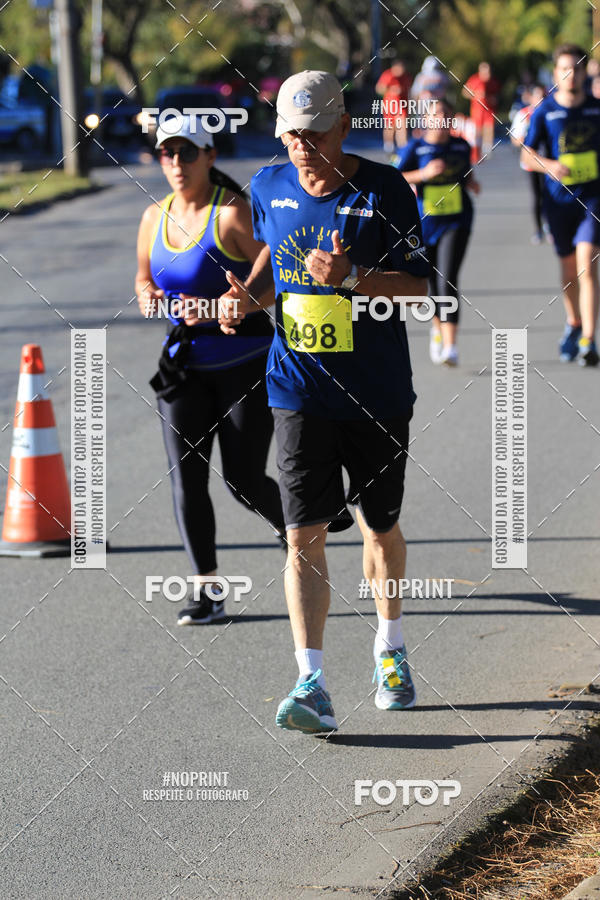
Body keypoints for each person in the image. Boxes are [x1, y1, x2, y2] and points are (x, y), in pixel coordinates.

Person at [217, 70, 429, 734]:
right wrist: (245, 298)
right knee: (302, 534)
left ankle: (390, 651)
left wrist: (355, 277)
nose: (301, 148)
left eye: (313, 134)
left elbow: (419, 288)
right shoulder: (268, 186)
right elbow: (270, 267)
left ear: (342, 128)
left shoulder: (387, 189)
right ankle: (310, 681)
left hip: (377, 394)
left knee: (378, 528)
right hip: (296, 390)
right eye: (289, 135)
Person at [134, 115, 285, 624]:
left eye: (187, 153)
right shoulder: (154, 216)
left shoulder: (231, 216)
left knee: (243, 481)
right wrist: (147, 294)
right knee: (187, 480)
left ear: (209, 156)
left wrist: (235, 299)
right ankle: (206, 588)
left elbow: (277, 268)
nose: (176, 164)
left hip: (243, 363)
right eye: (167, 154)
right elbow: (142, 276)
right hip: (183, 366)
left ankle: (296, 533)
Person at [522, 44, 600, 366]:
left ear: (585, 73)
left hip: (593, 199)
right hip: (558, 202)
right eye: (564, 69)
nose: (571, 75)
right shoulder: (545, 110)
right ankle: (574, 322)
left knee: (587, 266)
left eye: (577, 69)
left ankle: (589, 341)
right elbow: (527, 155)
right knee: (569, 271)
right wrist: (550, 165)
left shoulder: (597, 109)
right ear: (556, 74)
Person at [395, 99, 480, 366]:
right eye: (435, 115)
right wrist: (424, 173)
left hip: (457, 220)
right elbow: (396, 177)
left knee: (448, 280)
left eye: (446, 115)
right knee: (431, 282)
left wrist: (472, 183)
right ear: (427, 119)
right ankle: (437, 328)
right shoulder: (416, 147)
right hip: (424, 224)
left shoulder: (461, 145)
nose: (440, 119)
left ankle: (451, 346)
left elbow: (465, 176)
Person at [510, 84, 549, 244]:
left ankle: (550, 226)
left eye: (544, 97)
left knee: (550, 194)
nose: (541, 100)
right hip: (531, 162)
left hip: (550, 161)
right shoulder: (523, 114)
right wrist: (520, 140)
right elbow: (514, 139)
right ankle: (538, 230)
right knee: (537, 195)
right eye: (538, 96)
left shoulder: (551, 112)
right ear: (531, 98)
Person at [463, 62, 501, 159]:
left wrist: (492, 98)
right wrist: (476, 94)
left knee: (489, 128)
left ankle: (487, 151)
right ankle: (476, 151)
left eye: (488, 71)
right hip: (477, 110)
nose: (486, 74)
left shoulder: (493, 81)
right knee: (477, 130)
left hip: (489, 109)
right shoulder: (474, 79)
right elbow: (464, 92)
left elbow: (497, 96)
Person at [375, 59, 413, 152]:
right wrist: (391, 90)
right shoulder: (388, 75)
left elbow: (409, 89)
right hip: (389, 106)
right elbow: (379, 89)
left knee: (402, 125)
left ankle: (403, 147)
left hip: (402, 106)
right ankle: (389, 145)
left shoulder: (406, 76)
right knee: (390, 126)